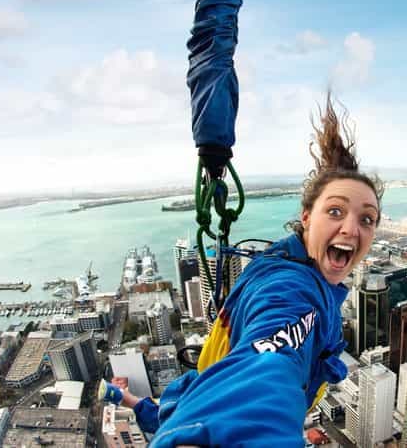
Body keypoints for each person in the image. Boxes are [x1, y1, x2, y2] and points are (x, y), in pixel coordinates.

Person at [101, 100, 383, 446]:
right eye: (336, 211)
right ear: (307, 217)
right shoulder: (294, 293)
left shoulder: (285, 263)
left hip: (191, 403)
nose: (353, 229)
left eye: (367, 218)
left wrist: (131, 403)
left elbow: (204, 391)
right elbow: (265, 374)